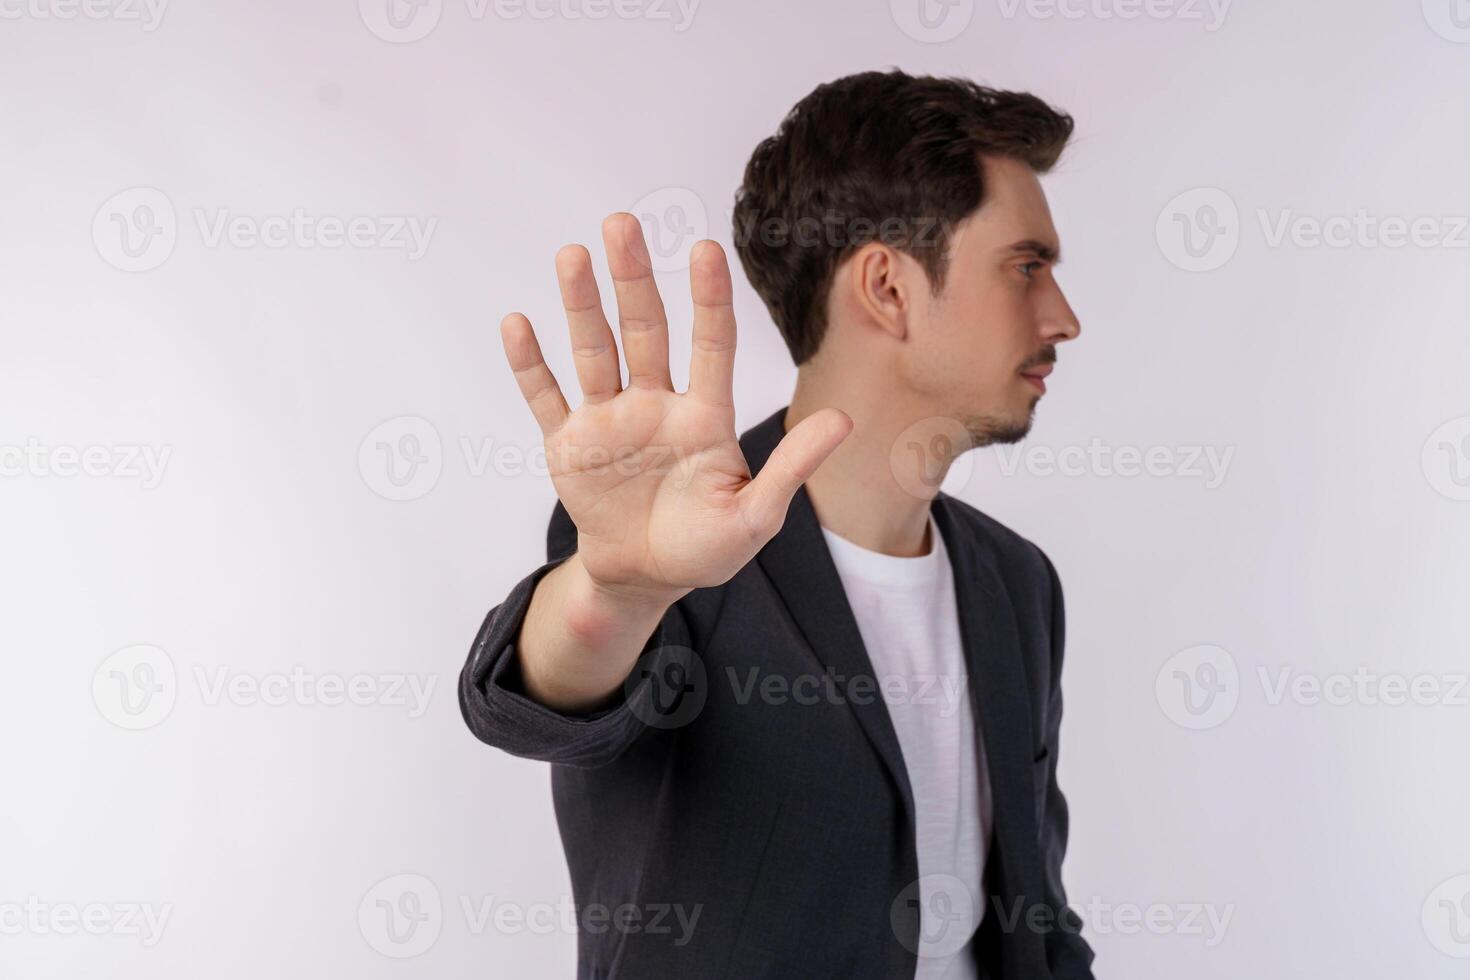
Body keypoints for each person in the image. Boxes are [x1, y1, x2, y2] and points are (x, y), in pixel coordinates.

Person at [458, 68, 1093, 979]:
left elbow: (1038, 925)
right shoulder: (679, 546)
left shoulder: (1019, 583)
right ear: (888, 287)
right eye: (1026, 267)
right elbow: (550, 701)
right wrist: (613, 590)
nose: (1063, 318)